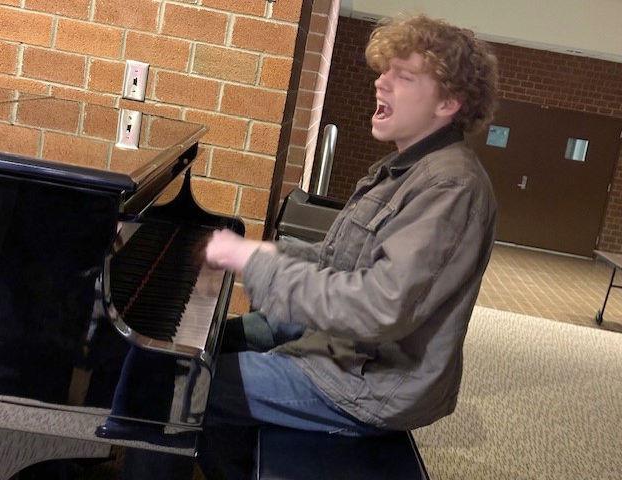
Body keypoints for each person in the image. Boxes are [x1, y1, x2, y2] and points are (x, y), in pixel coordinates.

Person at [199, 12, 499, 479]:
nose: (381, 83)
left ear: (449, 103)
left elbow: (379, 306)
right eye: (384, 71)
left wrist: (256, 265)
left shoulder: (450, 187)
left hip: (370, 384)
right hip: (344, 349)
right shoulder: (402, 168)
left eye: (403, 76)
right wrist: (266, 255)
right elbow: (340, 265)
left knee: (180, 386)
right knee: (215, 342)